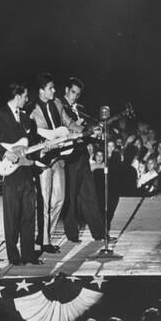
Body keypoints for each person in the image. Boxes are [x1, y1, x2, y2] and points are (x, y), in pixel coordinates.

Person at [0, 82, 41, 265]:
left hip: (25, 169)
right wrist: (5, 153)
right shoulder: (1, 115)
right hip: (10, 172)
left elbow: (28, 142)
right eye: (24, 97)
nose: (26, 100)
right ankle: (14, 258)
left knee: (29, 214)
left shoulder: (24, 117)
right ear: (17, 96)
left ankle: (29, 255)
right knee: (12, 216)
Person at [30, 73, 80, 253]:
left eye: (53, 87)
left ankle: (44, 236)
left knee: (59, 199)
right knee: (44, 201)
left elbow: (68, 122)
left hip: (58, 158)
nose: (54, 90)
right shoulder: (32, 109)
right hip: (43, 159)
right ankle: (44, 241)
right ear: (42, 90)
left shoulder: (58, 103)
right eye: (50, 87)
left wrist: (83, 130)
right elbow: (36, 132)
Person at [59, 77, 105, 242]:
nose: (75, 97)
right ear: (66, 90)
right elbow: (60, 130)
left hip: (82, 155)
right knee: (71, 197)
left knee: (89, 194)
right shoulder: (59, 106)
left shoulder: (81, 108)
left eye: (78, 94)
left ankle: (99, 233)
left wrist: (95, 134)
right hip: (69, 156)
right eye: (73, 92)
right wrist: (76, 127)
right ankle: (72, 235)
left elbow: (86, 133)